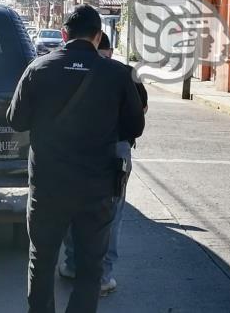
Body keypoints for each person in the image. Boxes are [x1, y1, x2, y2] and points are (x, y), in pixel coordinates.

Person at [7, 5, 145, 313]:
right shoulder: (118, 75)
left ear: (64, 34)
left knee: (41, 261)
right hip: (96, 187)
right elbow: (134, 127)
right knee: (90, 266)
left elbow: (16, 121)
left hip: (48, 186)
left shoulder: (38, 69)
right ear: (98, 37)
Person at [59, 32, 148, 297]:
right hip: (115, 151)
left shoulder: (66, 69)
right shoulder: (124, 73)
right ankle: (101, 276)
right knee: (110, 216)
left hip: (73, 150)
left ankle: (74, 264)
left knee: (72, 209)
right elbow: (139, 114)